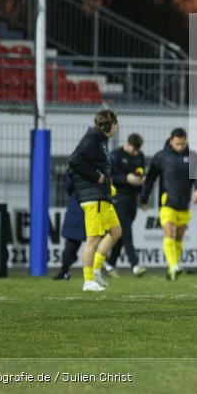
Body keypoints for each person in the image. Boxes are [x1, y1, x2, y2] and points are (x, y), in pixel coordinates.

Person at [67, 109, 121, 292]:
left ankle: (96, 270)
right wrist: (96, 177)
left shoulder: (100, 140)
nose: (116, 128)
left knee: (115, 231)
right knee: (93, 239)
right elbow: (74, 160)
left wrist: (107, 182)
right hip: (93, 196)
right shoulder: (93, 138)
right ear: (110, 124)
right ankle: (88, 280)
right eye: (116, 124)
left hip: (102, 195)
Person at [142, 128, 197, 281]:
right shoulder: (161, 157)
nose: (180, 147)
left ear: (186, 141)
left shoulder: (192, 156)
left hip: (184, 204)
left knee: (179, 237)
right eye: (177, 144)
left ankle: (172, 268)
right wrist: (144, 198)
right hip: (167, 203)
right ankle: (174, 266)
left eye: (182, 144)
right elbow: (150, 179)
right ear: (171, 141)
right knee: (169, 232)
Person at [104, 133, 147, 278]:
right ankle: (134, 265)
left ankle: (110, 263)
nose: (136, 153)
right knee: (126, 231)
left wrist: (141, 183)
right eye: (134, 150)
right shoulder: (115, 155)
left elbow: (141, 172)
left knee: (121, 234)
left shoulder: (139, 155)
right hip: (118, 198)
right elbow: (110, 177)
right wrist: (126, 178)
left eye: (137, 151)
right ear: (127, 144)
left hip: (132, 198)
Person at [52, 170, 86, 281]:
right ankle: (97, 271)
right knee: (96, 241)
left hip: (77, 205)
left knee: (71, 243)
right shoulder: (101, 162)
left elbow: (69, 186)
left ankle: (65, 270)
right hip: (94, 205)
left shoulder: (74, 166)